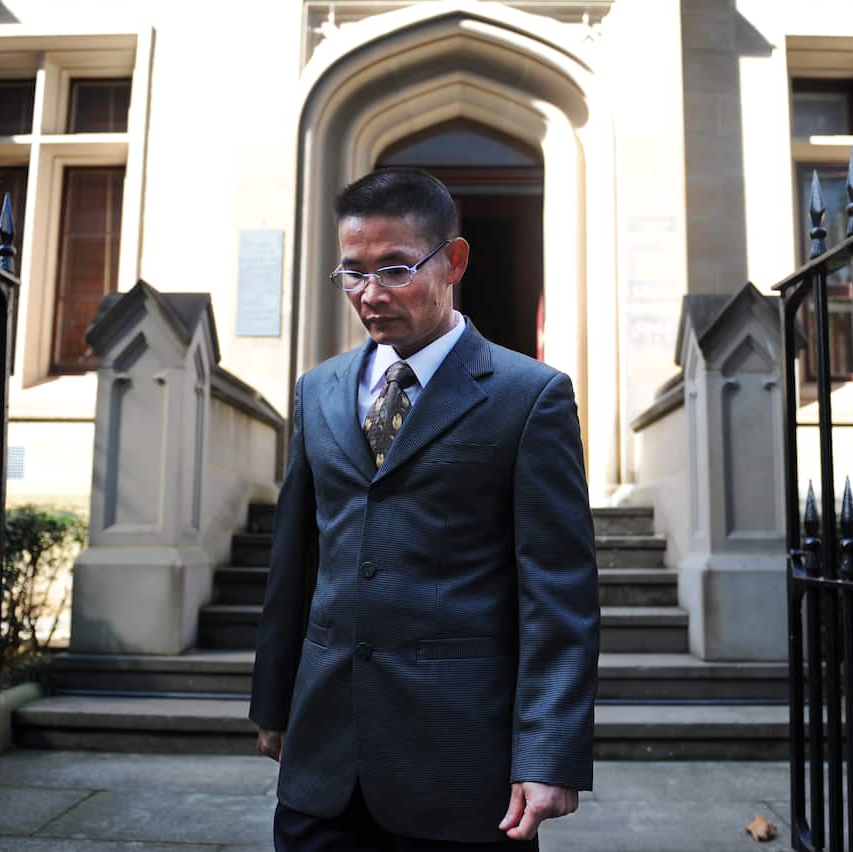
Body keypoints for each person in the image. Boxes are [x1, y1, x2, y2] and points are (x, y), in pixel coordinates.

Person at [249, 166, 600, 851]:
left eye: (396, 269)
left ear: (454, 262)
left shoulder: (530, 397)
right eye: (352, 273)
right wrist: (274, 701)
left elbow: (558, 592)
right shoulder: (317, 392)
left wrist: (549, 753)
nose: (370, 294)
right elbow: (295, 562)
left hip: (463, 772)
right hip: (323, 762)